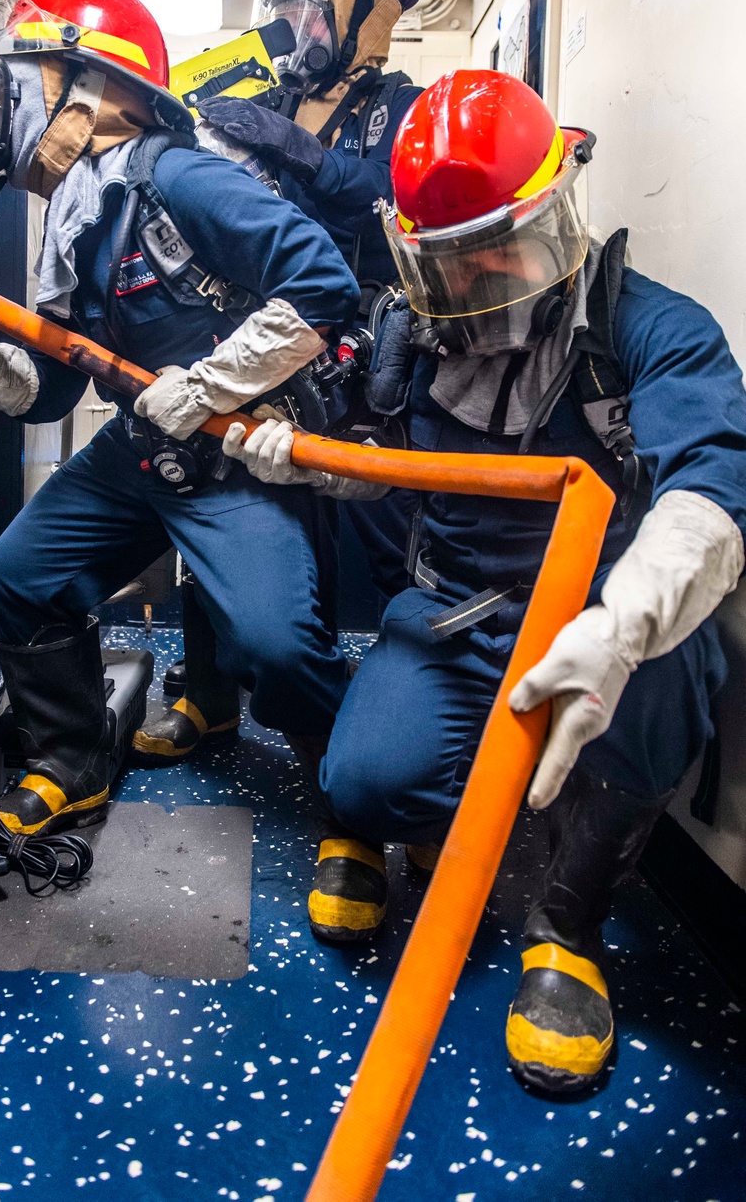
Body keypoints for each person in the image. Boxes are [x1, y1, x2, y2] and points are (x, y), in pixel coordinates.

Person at [223, 69, 746, 1091]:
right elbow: (381, 466)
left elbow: (713, 495)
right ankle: (418, 822)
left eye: (504, 244)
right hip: (453, 605)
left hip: (601, 618)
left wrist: (624, 621)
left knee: (670, 680)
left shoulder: (652, 329)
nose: (486, 276)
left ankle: (566, 924)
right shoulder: (409, 334)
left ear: (558, 206)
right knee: (367, 782)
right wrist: (306, 457)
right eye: (455, 261)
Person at [0, 0, 379, 917]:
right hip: (140, 453)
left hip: (235, 454)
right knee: (18, 575)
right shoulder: (77, 218)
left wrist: (200, 390)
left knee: (277, 647)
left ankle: (351, 813)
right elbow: (49, 391)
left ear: (92, 91)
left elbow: (323, 285)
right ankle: (71, 760)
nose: (1, 100)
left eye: (21, 75)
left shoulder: (177, 175)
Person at [138, 0, 423, 771]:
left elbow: (399, 201)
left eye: (314, 7)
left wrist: (298, 150)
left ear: (365, 7)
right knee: (224, 505)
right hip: (265, 340)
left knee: (380, 534)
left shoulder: (402, 107)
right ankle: (207, 692)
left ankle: (387, 726)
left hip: (372, 349)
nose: (300, 29)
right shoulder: (259, 103)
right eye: (287, 9)